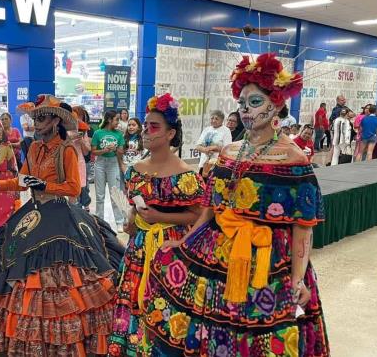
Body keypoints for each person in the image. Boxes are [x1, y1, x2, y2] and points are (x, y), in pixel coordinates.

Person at [142, 53, 329, 356]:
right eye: (241, 103)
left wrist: (297, 278)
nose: (245, 110)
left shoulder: (294, 158)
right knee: (210, 326)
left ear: (277, 103)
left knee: (260, 335)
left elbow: (302, 225)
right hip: (215, 252)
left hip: (269, 261)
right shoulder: (229, 151)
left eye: (254, 102)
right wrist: (185, 240)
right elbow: (210, 205)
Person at [0, 95, 123, 355]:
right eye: (35, 118)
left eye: (42, 118)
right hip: (33, 212)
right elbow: (22, 179)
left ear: (55, 121)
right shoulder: (33, 148)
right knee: (10, 254)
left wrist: (45, 186)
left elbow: (74, 188)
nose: (36, 123)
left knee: (65, 271)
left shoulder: (66, 150)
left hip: (60, 213)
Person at [108, 93, 206, 356]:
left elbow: (198, 215)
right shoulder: (136, 169)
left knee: (163, 302)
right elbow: (132, 204)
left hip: (170, 249)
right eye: (145, 125)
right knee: (132, 297)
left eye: (154, 127)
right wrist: (131, 220)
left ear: (170, 133)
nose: (146, 132)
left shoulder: (186, 175)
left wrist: (161, 217)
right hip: (139, 247)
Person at [92, 109, 126, 230]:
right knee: (100, 195)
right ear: (109, 120)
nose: (118, 122)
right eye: (117, 119)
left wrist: (115, 147)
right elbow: (93, 151)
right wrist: (104, 150)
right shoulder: (98, 133)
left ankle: (119, 221)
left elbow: (121, 152)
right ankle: (99, 221)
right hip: (100, 163)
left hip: (113, 163)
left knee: (115, 193)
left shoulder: (119, 134)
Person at [195, 110, 232, 177]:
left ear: (222, 120)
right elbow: (197, 146)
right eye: (212, 118)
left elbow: (228, 149)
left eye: (216, 119)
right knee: (202, 184)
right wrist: (205, 150)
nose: (214, 120)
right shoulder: (207, 129)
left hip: (217, 165)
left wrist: (215, 148)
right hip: (204, 163)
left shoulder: (226, 130)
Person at [73, 105, 94, 211]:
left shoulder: (84, 131)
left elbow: (86, 152)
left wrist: (81, 140)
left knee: (83, 188)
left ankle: (84, 209)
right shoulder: (62, 131)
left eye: (79, 116)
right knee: (72, 191)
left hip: (80, 163)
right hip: (67, 164)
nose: (77, 119)